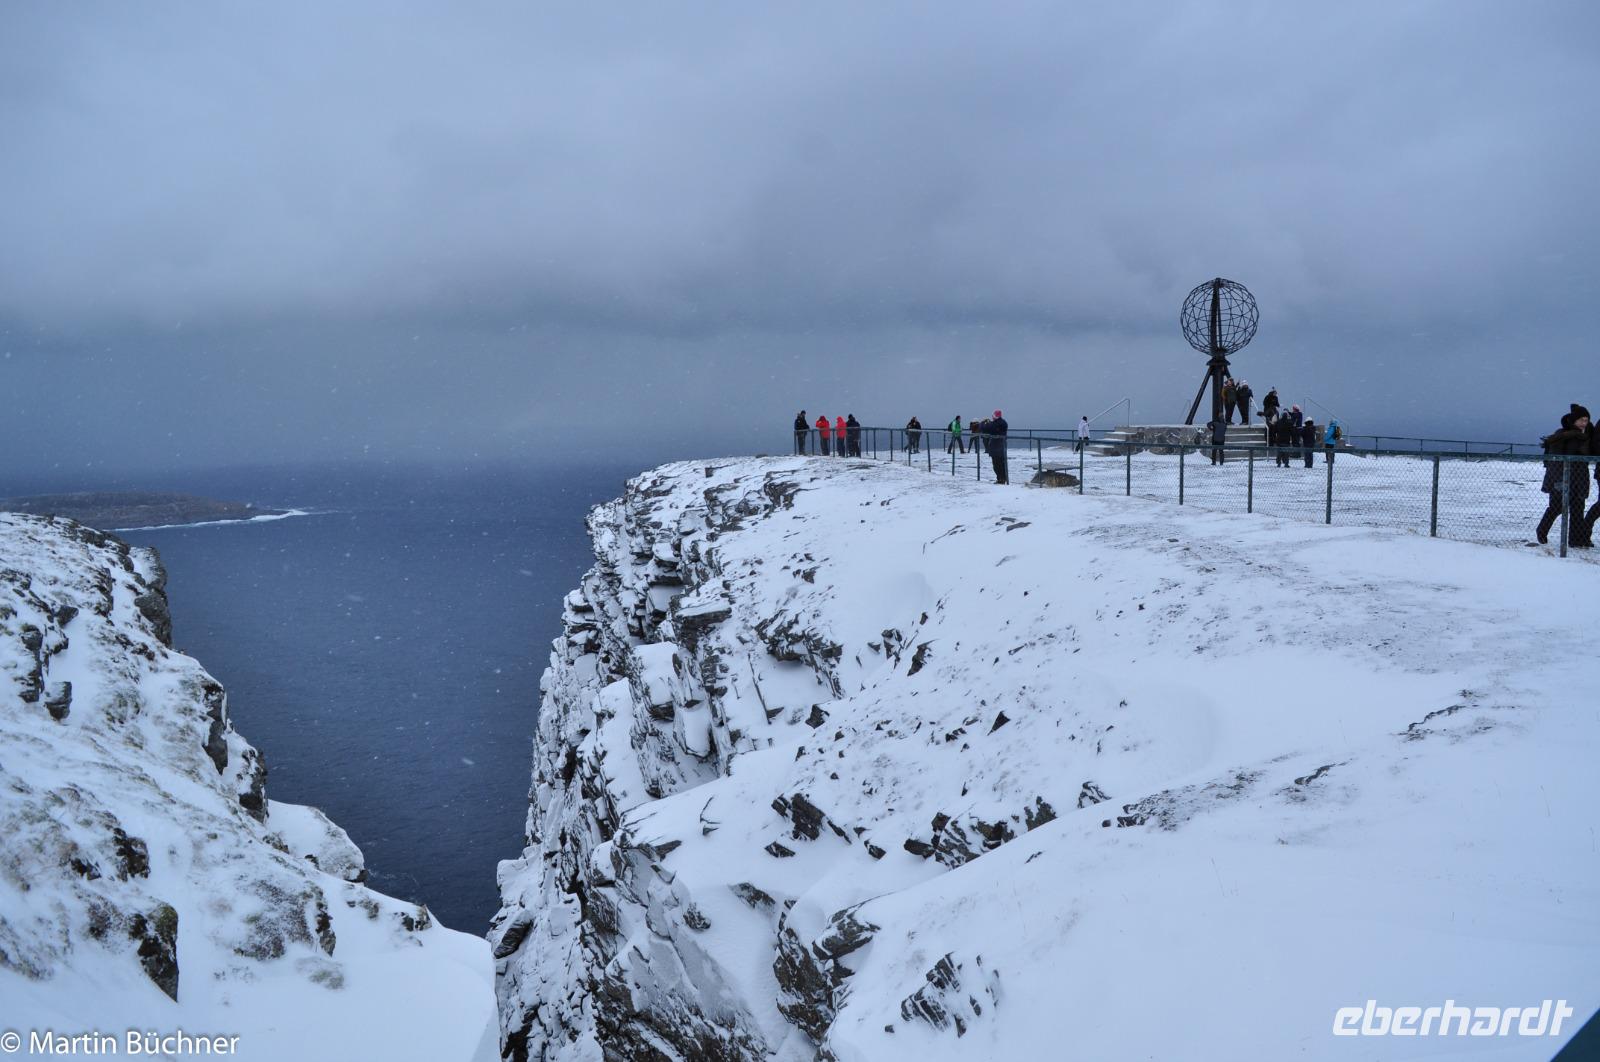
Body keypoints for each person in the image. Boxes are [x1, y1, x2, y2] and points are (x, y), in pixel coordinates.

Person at [1537, 406, 1591, 546]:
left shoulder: (1585, 436)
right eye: (1581, 420)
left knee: (1578, 508)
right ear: (1574, 421)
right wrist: (1558, 480)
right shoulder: (1562, 436)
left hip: (1579, 477)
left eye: (1586, 420)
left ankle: (1575, 541)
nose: (1584, 423)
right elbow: (1555, 460)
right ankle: (1541, 531)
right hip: (1561, 477)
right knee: (1556, 507)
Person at [988, 409, 1009, 484]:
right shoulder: (1002, 422)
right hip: (999, 446)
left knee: (997, 464)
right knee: (1000, 464)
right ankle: (1002, 478)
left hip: (997, 446)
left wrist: (988, 423)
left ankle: (1001, 479)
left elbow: (989, 429)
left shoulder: (997, 423)